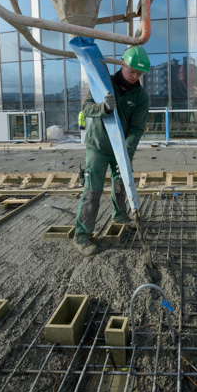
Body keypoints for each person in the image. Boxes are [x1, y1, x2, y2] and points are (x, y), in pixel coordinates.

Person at [74, 46, 150, 256]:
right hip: (98, 146)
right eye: (132, 71)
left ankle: (120, 216)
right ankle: (82, 236)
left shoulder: (141, 97)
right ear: (123, 64)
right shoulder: (103, 83)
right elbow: (86, 106)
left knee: (121, 184)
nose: (135, 76)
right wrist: (102, 108)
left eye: (139, 74)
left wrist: (126, 152)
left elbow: (136, 129)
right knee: (92, 191)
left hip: (120, 148)